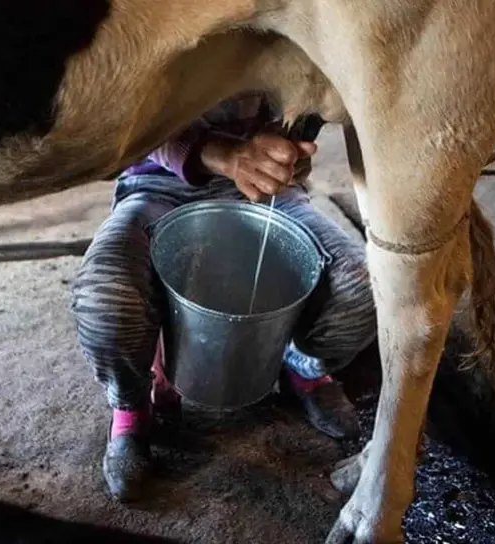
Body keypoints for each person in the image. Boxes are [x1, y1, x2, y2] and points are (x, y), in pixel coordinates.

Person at [69, 91, 377, 502]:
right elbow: (118, 116)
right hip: (155, 185)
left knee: (362, 286)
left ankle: (299, 360)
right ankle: (130, 404)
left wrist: (285, 151)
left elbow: (302, 98)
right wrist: (224, 154)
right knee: (104, 302)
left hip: (265, 192)